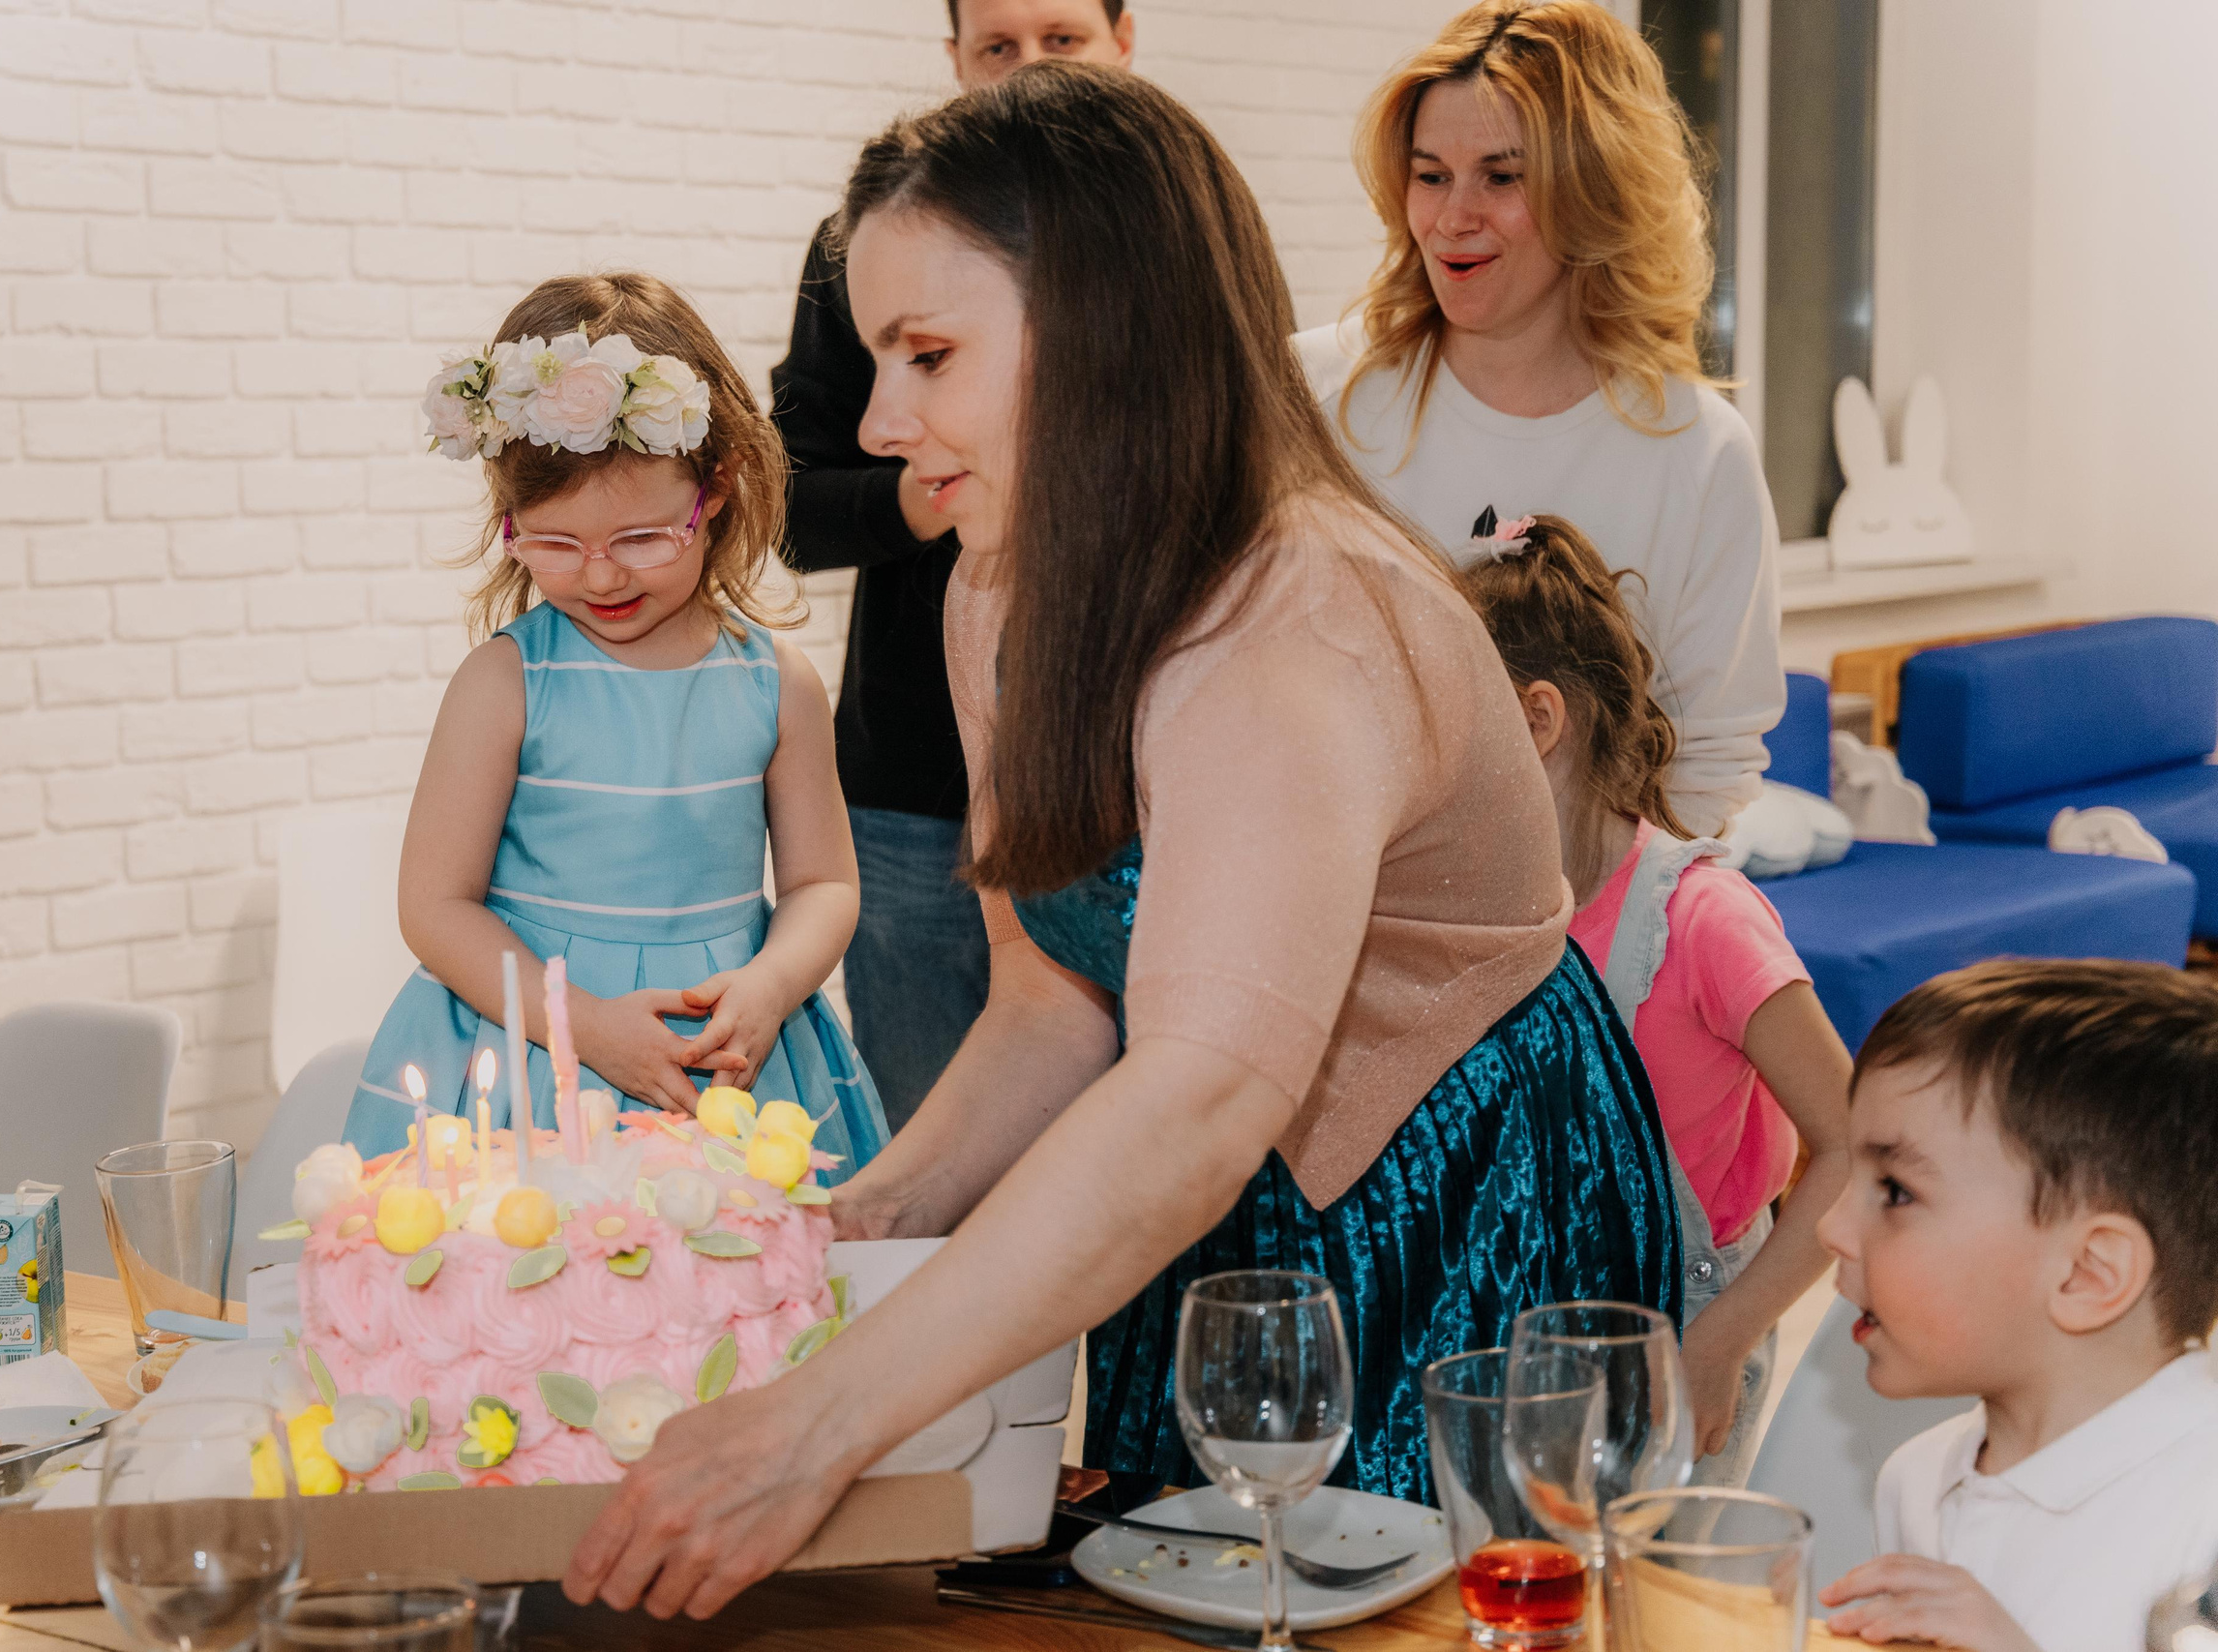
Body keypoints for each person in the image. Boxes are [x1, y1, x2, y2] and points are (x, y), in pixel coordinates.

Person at [561, 64, 1681, 1623]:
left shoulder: (1298, 623)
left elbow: (1203, 1085)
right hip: (1208, 1189)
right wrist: (861, 1224)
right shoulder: (994, 590)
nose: (882, 425)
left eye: (928, 354)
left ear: (1105, 330)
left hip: (1460, 1187)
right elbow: (1055, 996)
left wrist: (816, 1420)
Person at [340, 273, 888, 1182]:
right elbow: (435, 906)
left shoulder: (776, 685)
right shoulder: (506, 683)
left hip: (729, 1062)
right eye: (554, 544)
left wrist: (773, 983)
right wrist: (584, 1029)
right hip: (531, 1061)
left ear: (714, 488)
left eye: (640, 539)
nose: (600, 578)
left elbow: (824, 881)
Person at [768, 0, 1134, 1133]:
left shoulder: (1154, 258)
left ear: (1125, 42)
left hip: (1119, 780)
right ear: (953, 62)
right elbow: (788, 507)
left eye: (1060, 39)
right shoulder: (865, 250)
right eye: (997, 47)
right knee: (931, 1136)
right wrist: (920, 496)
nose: (1027, 71)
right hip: (911, 792)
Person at [1294, 0, 1783, 837]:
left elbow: (1708, 771)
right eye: (1431, 174)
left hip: (1584, 948)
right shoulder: (1314, 393)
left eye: (1502, 175)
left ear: (1594, 190)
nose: (1453, 217)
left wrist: (1608, 947)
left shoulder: (1699, 455)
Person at [1458, 512, 1851, 1487]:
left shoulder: (1702, 921)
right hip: (1528, 1328)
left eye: (1444, 733)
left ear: (1538, 721)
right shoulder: (1477, 915)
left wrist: (1719, 1345)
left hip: (1683, 1339)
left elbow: (1855, 1144)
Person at [1815, 961, 2218, 1652]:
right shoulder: (1917, 1480)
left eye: (1895, 1190)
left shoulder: (2202, 1521)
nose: (1830, 1228)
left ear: (2087, 1273)